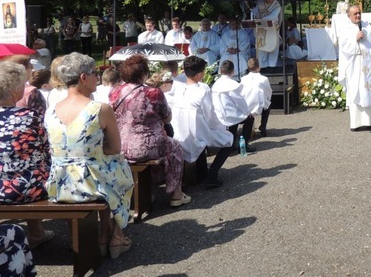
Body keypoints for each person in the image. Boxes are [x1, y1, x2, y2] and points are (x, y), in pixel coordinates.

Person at [44, 53, 134, 259]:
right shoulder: (99, 109)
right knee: (121, 171)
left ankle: (103, 233)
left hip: (60, 183)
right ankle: (117, 235)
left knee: (104, 168)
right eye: (95, 74)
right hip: (89, 182)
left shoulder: (51, 111)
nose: (98, 78)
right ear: (83, 78)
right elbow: (114, 148)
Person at [109, 55, 190, 207]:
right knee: (175, 147)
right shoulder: (152, 93)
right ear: (143, 74)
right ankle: (176, 194)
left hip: (120, 144)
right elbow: (167, 118)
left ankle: (148, 192)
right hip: (145, 145)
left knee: (163, 148)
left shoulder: (115, 92)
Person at [0, 62, 54, 250]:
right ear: (15, 92)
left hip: (0, 186)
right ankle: (37, 232)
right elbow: (46, 149)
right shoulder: (30, 116)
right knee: (34, 171)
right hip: (26, 188)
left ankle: (37, 232)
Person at [170, 56, 233, 187]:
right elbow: (210, 116)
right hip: (195, 133)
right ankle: (211, 176)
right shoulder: (202, 90)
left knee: (203, 137)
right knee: (228, 141)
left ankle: (201, 172)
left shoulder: (176, 87)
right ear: (199, 74)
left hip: (178, 133)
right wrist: (221, 127)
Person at [337, 5, 371, 132]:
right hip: (354, 66)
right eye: (355, 14)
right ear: (349, 16)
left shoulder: (367, 27)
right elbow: (344, 48)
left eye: (359, 13)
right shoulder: (345, 29)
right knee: (356, 93)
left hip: (369, 64)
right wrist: (355, 39)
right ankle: (356, 124)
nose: (358, 16)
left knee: (370, 91)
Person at [211, 60, 256, 152]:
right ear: (233, 72)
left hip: (218, 113)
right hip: (228, 115)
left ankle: (231, 144)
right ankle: (244, 145)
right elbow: (240, 101)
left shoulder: (215, 84)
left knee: (235, 117)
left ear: (220, 71)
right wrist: (247, 112)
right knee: (250, 118)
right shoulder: (232, 85)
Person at [241, 57, 272, 137]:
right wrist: (268, 99)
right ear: (259, 68)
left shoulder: (243, 79)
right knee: (267, 105)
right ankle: (263, 126)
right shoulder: (264, 79)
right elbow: (268, 92)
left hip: (246, 103)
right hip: (258, 105)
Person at [252, 0, 282, 68]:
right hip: (262, 31)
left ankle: (272, 70)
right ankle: (261, 69)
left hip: (273, 32)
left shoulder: (277, 6)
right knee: (262, 51)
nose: (268, 0)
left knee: (273, 51)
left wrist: (260, 20)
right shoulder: (260, 2)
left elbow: (273, 17)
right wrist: (254, 16)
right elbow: (253, 12)